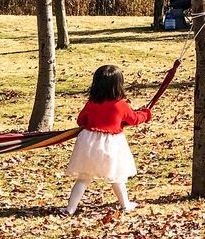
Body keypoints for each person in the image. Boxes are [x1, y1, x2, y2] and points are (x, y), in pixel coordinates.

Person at [62, 65, 152, 215]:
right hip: (112, 144)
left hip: (89, 143)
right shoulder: (121, 105)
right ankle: (125, 204)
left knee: (83, 178)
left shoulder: (92, 103)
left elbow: (81, 120)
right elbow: (134, 119)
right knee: (117, 176)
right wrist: (146, 114)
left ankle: (70, 208)